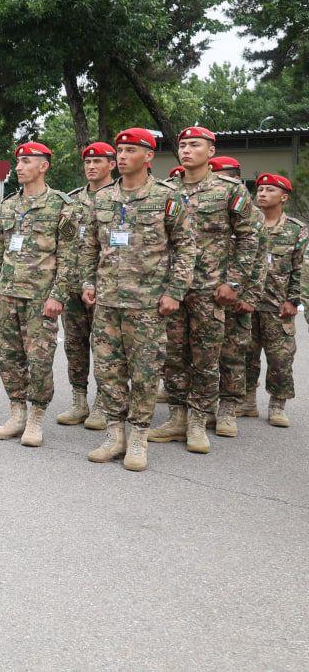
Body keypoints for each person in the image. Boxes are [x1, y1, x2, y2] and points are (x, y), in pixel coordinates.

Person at [80, 128, 196, 472]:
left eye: (130, 150)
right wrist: (88, 281)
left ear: (148, 157)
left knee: (145, 373)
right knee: (108, 370)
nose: (121, 156)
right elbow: (89, 246)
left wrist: (175, 291)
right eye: (119, 150)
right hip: (107, 303)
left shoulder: (167, 197)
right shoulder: (103, 198)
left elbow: (187, 246)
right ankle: (115, 435)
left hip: (147, 304)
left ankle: (139, 438)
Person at [149, 126, 259, 454]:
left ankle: (198, 421)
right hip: (172, 288)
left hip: (210, 289)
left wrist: (234, 282)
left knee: (206, 358)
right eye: (182, 145)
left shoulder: (229, 189)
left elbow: (249, 237)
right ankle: (177, 418)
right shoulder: (165, 189)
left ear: (210, 151)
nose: (186, 150)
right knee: (173, 356)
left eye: (194, 145)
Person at [0, 142, 77, 448]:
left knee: (39, 360)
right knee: (8, 357)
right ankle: (16, 413)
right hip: (10, 293)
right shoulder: (10, 204)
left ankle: (36, 417)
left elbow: (69, 256)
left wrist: (58, 295)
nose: (19, 167)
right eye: (18, 162)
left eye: (27, 161)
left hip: (41, 297)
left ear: (44, 166)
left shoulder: (61, 205)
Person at [56, 142, 117, 430]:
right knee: (74, 345)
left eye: (98, 161)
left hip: (105, 287)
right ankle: (79, 400)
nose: (91, 166)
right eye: (88, 162)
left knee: (106, 348)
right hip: (72, 287)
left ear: (112, 165)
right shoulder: (72, 201)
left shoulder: (120, 198)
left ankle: (104, 404)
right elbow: (64, 243)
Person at [209, 155, 267, 426]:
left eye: (224, 177)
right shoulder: (207, 208)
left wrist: (250, 295)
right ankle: (204, 405)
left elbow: (259, 259)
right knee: (204, 353)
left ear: (234, 178)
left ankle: (228, 409)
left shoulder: (251, 214)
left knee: (232, 354)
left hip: (237, 295)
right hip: (207, 292)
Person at [244, 173, 303, 428]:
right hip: (248, 303)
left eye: (270, 190)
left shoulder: (295, 230)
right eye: (260, 190)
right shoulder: (248, 224)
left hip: (278, 306)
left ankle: (278, 404)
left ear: (284, 197)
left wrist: (294, 300)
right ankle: (246, 401)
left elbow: (302, 268)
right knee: (245, 355)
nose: (263, 194)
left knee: (280, 358)